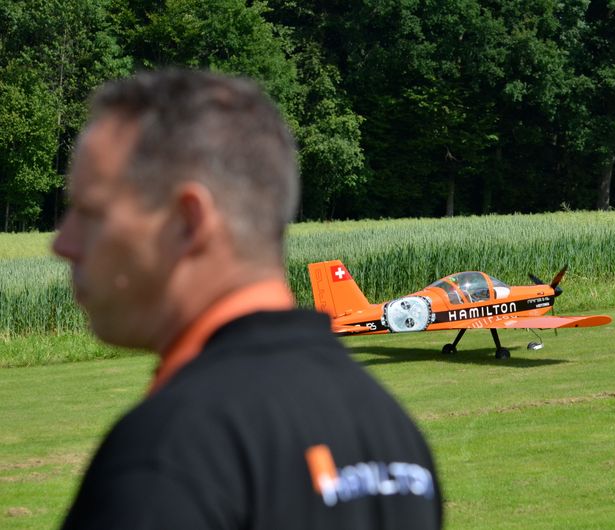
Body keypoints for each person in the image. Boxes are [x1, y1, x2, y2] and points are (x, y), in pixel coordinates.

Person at [53, 69, 442, 529]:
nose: (63, 244)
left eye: (90, 213)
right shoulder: (393, 432)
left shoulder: (167, 452)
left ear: (187, 222)